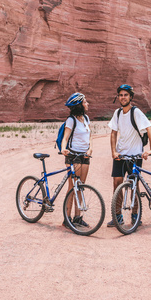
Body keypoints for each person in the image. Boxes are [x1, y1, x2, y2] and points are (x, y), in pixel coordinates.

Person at [107, 84, 151, 227]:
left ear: (131, 97)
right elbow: (113, 133)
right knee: (116, 183)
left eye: (125, 95)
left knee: (134, 184)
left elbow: (150, 128)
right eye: (120, 95)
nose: (123, 97)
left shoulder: (136, 112)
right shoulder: (117, 113)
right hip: (121, 155)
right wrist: (113, 152)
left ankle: (135, 215)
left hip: (135, 155)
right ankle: (117, 217)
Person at [61, 92, 92, 227]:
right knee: (72, 187)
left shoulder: (86, 119)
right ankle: (67, 218)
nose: (87, 104)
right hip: (73, 156)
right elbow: (66, 138)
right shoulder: (71, 120)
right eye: (85, 102)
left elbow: (90, 137)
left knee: (80, 186)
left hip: (85, 156)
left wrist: (90, 148)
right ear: (79, 105)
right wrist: (63, 148)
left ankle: (77, 217)